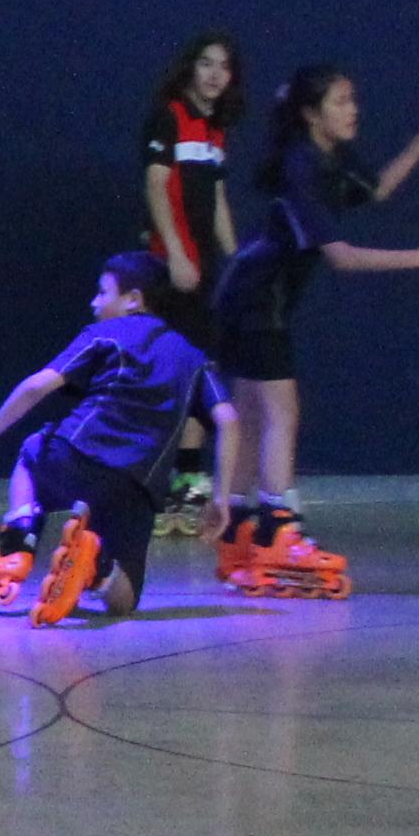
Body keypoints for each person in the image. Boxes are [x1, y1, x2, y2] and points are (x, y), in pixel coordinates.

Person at [205, 65, 419, 595]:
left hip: (250, 298)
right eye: (341, 101)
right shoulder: (300, 166)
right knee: (281, 414)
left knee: (253, 418)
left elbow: (376, 190)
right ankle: (278, 533)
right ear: (310, 113)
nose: (353, 110)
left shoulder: (330, 159)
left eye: (353, 99)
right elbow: (341, 257)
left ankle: (237, 536)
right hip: (256, 301)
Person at [0, 251, 230, 627]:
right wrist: (221, 497)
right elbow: (229, 420)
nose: (94, 302)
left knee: (31, 453)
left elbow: (37, 386)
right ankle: (96, 567)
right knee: (124, 601)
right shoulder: (193, 358)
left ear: (132, 299)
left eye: (102, 293)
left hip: (76, 456)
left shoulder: (104, 334)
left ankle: (17, 545)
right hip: (137, 490)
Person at [138, 32, 245, 534]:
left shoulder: (215, 131)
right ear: (189, 68)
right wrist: (177, 254)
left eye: (223, 66)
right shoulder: (168, 117)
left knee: (201, 373)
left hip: (206, 274)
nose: (214, 74)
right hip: (171, 268)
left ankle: (187, 484)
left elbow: (217, 200)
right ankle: (147, 486)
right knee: (163, 375)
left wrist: (238, 262)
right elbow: (156, 185)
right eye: (205, 63)